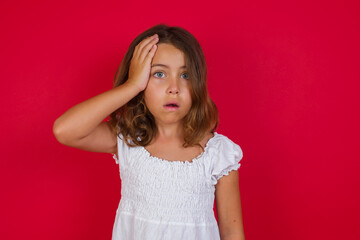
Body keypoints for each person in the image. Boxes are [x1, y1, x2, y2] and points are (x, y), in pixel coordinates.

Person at [53, 24, 245, 240]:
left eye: (186, 75)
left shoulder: (218, 153)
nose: (174, 87)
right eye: (159, 73)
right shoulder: (127, 140)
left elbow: (232, 232)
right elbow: (64, 130)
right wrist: (131, 86)